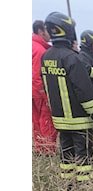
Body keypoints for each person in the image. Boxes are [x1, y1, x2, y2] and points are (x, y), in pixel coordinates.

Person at [41, 11, 93, 190]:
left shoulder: (46, 57)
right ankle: (84, 190)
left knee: (66, 157)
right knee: (83, 158)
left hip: (60, 121)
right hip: (79, 122)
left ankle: (67, 186)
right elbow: (85, 93)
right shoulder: (72, 58)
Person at [32, 20, 58, 156]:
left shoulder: (32, 46)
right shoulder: (40, 50)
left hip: (32, 92)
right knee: (47, 120)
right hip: (38, 91)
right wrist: (45, 95)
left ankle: (39, 148)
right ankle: (48, 149)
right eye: (48, 31)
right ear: (41, 31)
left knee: (36, 121)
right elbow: (37, 75)